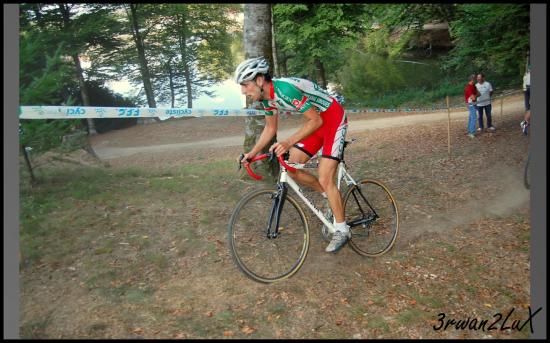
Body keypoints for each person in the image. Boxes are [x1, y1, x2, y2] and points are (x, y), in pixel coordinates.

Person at [235, 57, 350, 253]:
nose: (243, 91)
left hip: (332, 119)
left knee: (324, 174)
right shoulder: (267, 99)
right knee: (292, 166)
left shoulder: (284, 91)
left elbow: (314, 120)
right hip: (318, 123)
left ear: (260, 80)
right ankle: (328, 196)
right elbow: (270, 129)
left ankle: (342, 229)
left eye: (245, 85)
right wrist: (251, 153)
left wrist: (288, 142)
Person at [520, 64, 531, 135]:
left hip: (526, 90)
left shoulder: (526, 74)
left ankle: (525, 122)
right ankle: (525, 122)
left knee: (528, 108)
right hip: (529, 89)